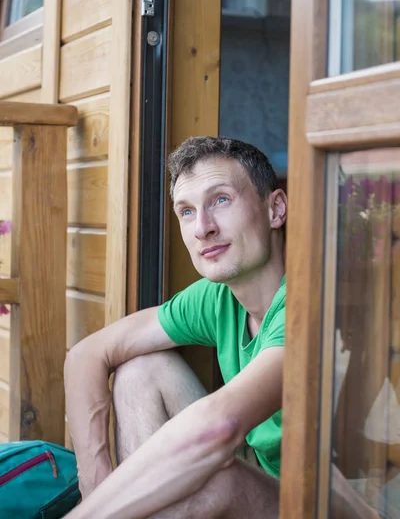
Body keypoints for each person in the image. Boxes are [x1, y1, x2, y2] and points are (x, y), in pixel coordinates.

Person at [64, 136, 381, 519]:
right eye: (186, 211)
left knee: (215, 480)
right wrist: (96, 489)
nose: (202, 228)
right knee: (141, 372)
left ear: (275, 209)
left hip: (339, 507)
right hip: (273, 486)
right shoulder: (217, 298)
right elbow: (86, 355)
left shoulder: (306, 301)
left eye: (221, 200)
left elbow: (219, 428)